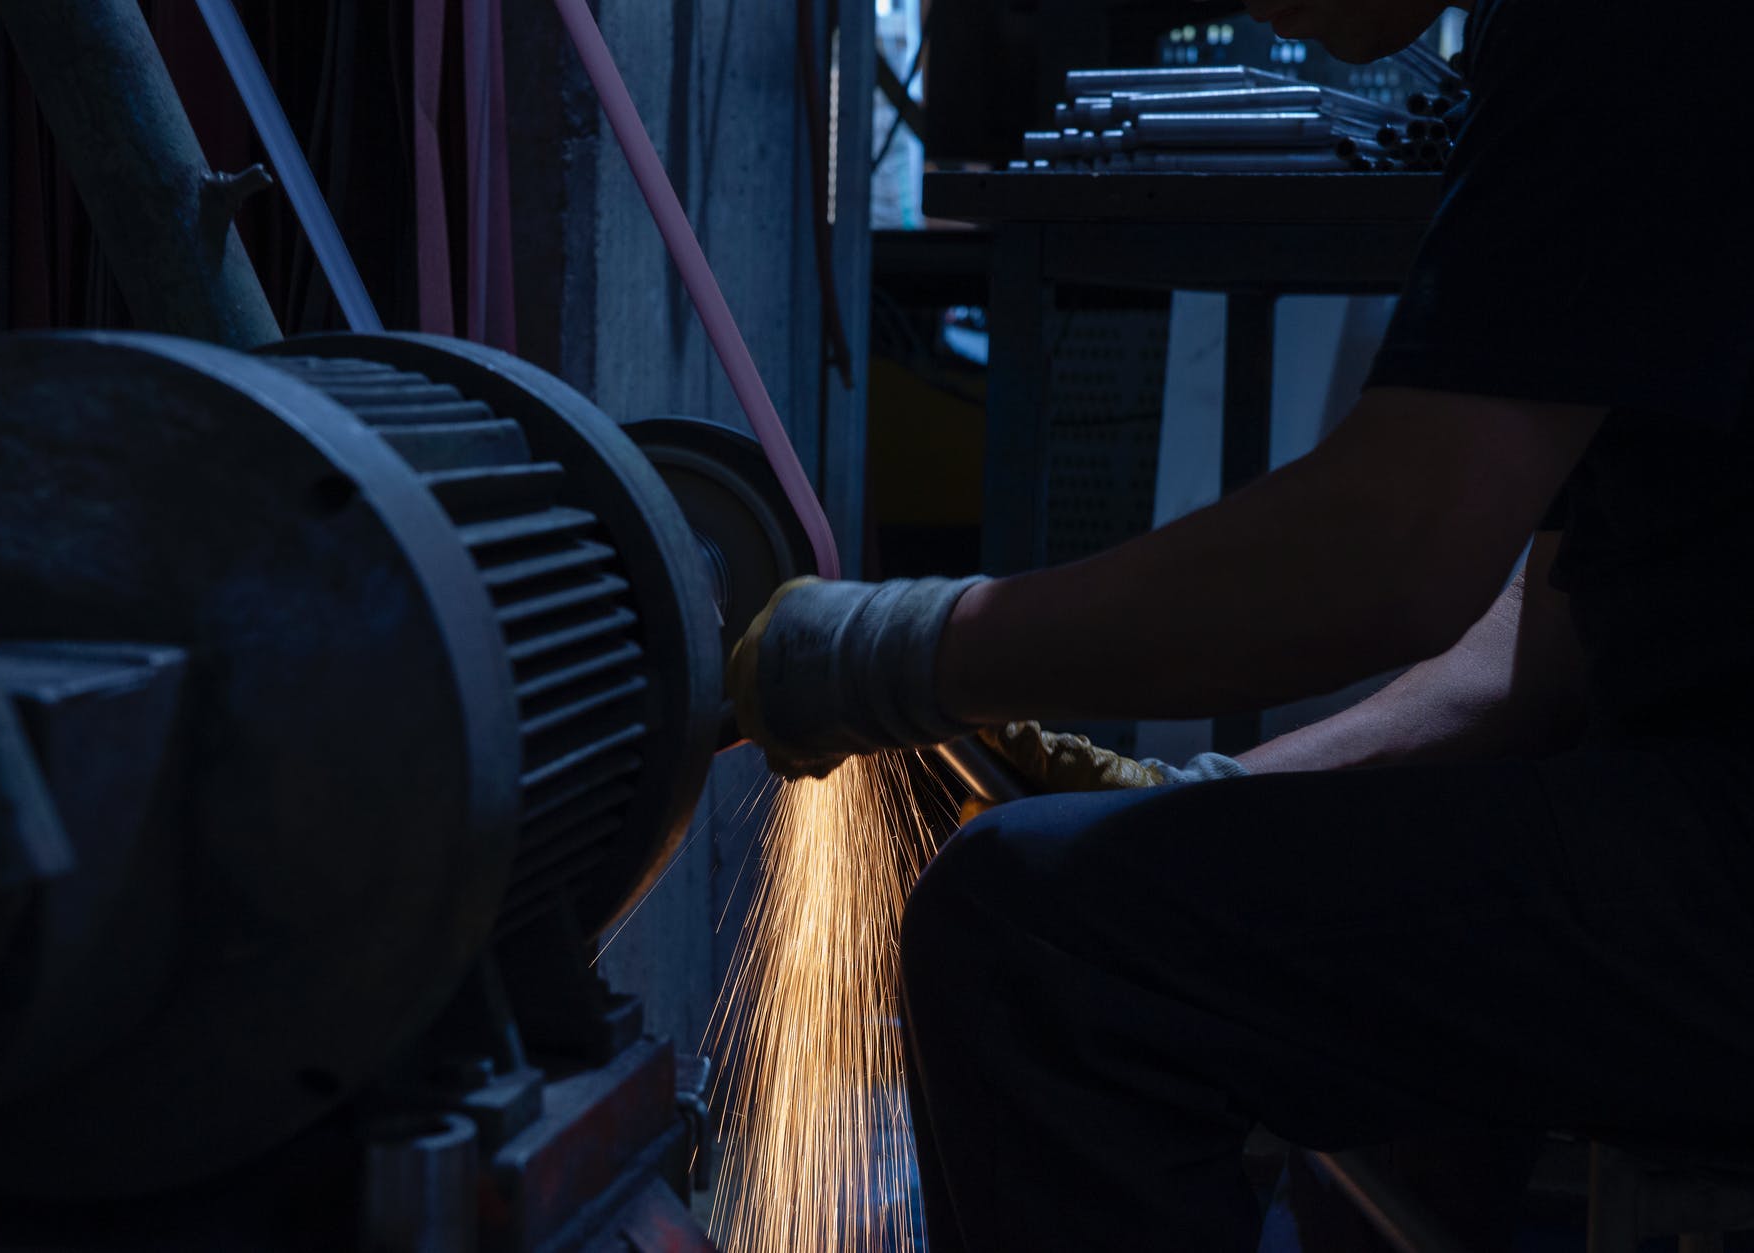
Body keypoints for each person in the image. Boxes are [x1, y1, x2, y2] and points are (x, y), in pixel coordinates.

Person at [725, 0, 1754, 1247]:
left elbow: (1395, 548)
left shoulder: (1629, 31)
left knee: (1027, 940)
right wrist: (1209, 787)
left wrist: (886, 655)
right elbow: (1542, 640)